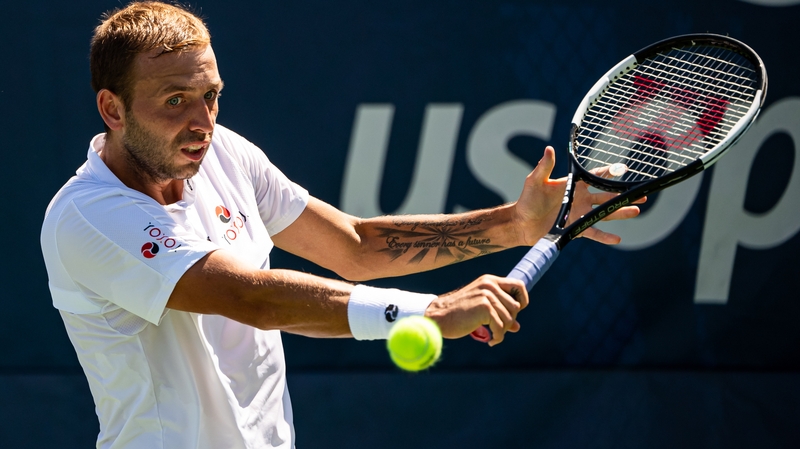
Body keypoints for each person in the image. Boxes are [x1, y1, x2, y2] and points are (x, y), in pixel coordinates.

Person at [40, 2, 641, 448]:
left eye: (212, 95)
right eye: (175, 100)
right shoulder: (89, 217)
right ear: (112, 109)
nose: (203, 121)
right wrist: (426, 313)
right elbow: (249, 297)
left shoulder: (223, 152)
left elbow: (354, 246)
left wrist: (514, 224)